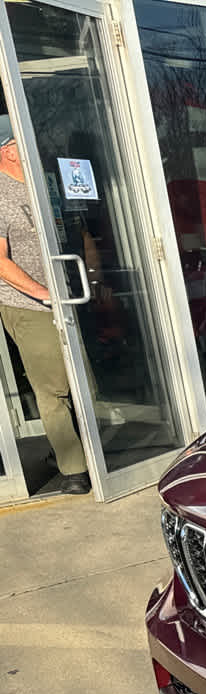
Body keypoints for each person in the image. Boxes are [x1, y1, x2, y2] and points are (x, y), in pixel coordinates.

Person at [0, 135, 88, 494]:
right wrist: (41, 293)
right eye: (22, 141)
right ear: (6, 152)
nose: (37, 147)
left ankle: (79, 453)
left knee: (79, 382)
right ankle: (74, 471)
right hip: (27, 306)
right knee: (53, 388)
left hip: (65, 298)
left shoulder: (42, 181)